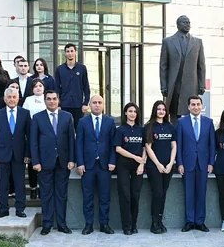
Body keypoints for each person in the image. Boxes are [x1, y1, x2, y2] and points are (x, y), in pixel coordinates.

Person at [29, 90, 76, 235]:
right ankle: (47, 224)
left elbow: (71, 140)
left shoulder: (67, 116)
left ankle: (62, 224)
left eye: (54, 99)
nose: (52, 101)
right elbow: (33, 142)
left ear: (58, 100)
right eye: (49, 99)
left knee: (61, 194)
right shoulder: (37, 117)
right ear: (45, 101)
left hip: (63, 162)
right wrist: (36, 161)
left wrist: (72, 159)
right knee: (46, 194)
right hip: (44, 163)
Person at [76, 95, 116, 234]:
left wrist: (112, 161)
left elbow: (113, 144)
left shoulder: (110, 121)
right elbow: (78, 143)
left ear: (103, 105)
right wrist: (80, 163)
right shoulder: (82, 122)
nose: (97, 105)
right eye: (94, 102)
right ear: (89, 105)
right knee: (88, 196)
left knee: (105, 197)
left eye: (99, 102)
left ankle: (104, 224)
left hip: (104, 166)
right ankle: (89, 224)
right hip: (87, 166)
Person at [0, 84, 31, 219]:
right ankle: (3, 209)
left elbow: (29, 135)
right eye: (9, 97)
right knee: (3, 183)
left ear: (18, 98)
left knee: (20, 183)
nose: (12, 99)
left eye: (14, 97)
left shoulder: (25, 113)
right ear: (5, 99)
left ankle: (20, 209)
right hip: (3, 154)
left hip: (20, 154)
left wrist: (28, 154)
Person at [176, 95, 215, 232]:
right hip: (187, 163)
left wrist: (211, 162)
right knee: (189, 193)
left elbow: (212, 144)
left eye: (198, 104)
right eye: (193, 104)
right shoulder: (181, 122)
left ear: (201, 106)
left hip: (203, 163)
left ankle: (200, 221)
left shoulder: (208, 122)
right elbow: (179, 144)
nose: (196, 107)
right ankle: (189, 221)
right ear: (188, 107)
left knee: (201, 193)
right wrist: (179, 163)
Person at [112, 102, 145, 234]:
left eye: (135, 112)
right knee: (125, 195)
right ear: (125, 113)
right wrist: (134, 157)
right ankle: (126, 226)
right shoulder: (120, 130)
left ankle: (134, 225)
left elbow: (145, 148)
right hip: (123, 165)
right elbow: (118, 148)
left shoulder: (141, 130)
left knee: (135, 195)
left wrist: (141, 164)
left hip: (138, 167)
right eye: (130, 111)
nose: (132, 114)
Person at [144, 100, 177, 234]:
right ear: (154, 111)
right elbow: (148, 147)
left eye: (163, 109)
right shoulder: (149, 127)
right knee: (157, 193)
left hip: (168, 167)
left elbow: (174, 146)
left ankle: (160, 221)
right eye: (159, 109)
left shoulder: (170, 127)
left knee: (163, 194)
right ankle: (154, 223)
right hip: (154, 166)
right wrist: (158, 164)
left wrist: (171, 163)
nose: (161, 111)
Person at [22, 78, 47, 200]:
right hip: (31, 132)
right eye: (35, 86)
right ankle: (33, 187)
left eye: (40, 86)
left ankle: (42, 187)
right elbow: (24, 115)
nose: (38, 88)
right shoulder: (28, 100)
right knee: (32, 161)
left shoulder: (48, 99)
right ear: (32, 89)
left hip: (45, 133)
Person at [56, 44, 91, 119]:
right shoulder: (59, 69)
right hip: (64, 105)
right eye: (68, 51)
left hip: (78, 105)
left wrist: (86, 103)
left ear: (75, 52)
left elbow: (86, 87)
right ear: (65, 53)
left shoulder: (82, 68)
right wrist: (58, 105)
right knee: (65, 125)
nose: (70, 53)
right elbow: (56, 88)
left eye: (72, 51)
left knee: (78, 125)